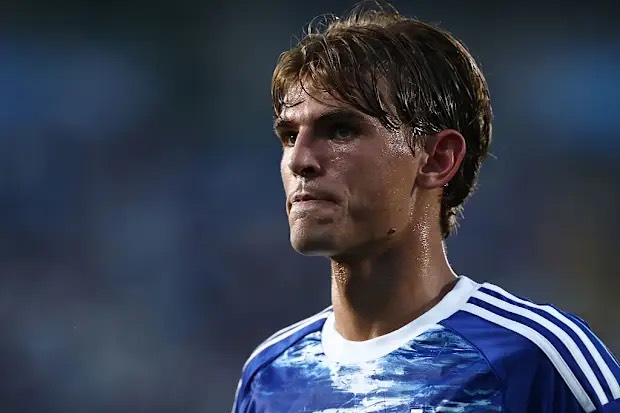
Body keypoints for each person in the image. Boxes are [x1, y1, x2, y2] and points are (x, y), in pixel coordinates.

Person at [231, 3, 620, 412]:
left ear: (437, 159)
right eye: (290, 136)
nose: (299, 160)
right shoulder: (269, 377)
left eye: (341, 130)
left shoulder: (536, 358)